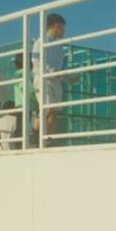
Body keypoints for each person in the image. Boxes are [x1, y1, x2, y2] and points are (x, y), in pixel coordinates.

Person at [32, 13, 77, 142]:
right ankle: (34, 132)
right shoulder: (41, 41)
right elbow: (37, 61)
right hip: (43, 79)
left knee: (54, 113)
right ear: (56, 26)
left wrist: (70, 78)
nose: (64, 31)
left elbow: (61, 67)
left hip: (56, 82)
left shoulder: (59, 47)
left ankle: (50, 140)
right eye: (63, 28)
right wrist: (52, 72)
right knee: (47, 108)